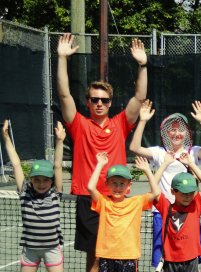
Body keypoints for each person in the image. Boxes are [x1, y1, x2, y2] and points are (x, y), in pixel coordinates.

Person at [56, 33, 147, 271]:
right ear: (87, 101)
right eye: (94, 99)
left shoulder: (120, 124)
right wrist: (62, 58)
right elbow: (64, 95)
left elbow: (139, 97)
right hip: (89, 198)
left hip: (117, 198)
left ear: (110, 103)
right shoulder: (78, 124)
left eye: (104, 100)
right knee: (94, 257)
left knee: (121, 253)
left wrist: (142, 65)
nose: (99, 103)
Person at [128, 99, 201, 269]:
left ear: (187, 132)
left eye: (180, 129)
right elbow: (134, 147)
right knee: (162, 260)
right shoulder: (159, 152)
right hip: (163, 211)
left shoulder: (193, 152)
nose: (177, 133)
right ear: (165, 132)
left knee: (190, 257)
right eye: (172, 129)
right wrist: (143, 121)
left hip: (189, 211)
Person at [5, 120, 65, 272]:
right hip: (30, 250)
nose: (41, 183)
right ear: (31, 179)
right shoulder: (25, 191)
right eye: (37, 179)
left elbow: (57, 165)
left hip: (52, 249)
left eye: (45, 180)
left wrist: (59, 141)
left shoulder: (55, 193)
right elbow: (16, 164)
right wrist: (6, 137)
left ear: (52, 181)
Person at [88, 153, 163, 272]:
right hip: (106, 255)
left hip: (129, 256)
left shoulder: (137, 202)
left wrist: (147, 170)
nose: (118, 187)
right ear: (107, 184)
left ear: (129, 185)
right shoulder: (103, 202)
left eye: (122, 183)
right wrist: (100, 164)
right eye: (114, 183)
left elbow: (156, 192)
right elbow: (91, 187)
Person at [154, 152, 201, 271]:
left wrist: (190, 163)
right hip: (170, 260)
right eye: (183, 193)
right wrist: (165, 163)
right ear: (173, 191)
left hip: (191, 259)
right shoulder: (166, 207)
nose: (188, 196)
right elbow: (153, 184)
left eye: (191, 193)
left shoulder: (196, 206)